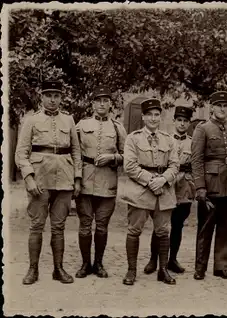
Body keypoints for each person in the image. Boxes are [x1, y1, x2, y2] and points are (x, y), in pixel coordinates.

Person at [15, 80, 82, 285]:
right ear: (41, 97)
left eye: (57, 95)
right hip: (40, 180)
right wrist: (29, 177)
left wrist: (77, 179)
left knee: (59, 227)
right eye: (49, 95)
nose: (53, 99)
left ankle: (58, 269)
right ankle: (33, 270)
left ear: (61, 98)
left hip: (64, 180)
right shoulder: (31, 121)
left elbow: (76, 151)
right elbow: (21, 153)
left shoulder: (69, 120)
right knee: (36, 225)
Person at [121, 98, 179, 286]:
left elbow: (175, 165)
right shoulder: (133, 138)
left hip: (163, 190)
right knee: (134, 230)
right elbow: (129, 166)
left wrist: (163, 179)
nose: (153, 119)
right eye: (150, 115)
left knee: (163, 231)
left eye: (157, 115)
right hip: (140, 190)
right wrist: (150, 180)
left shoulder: (168, 139)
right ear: (143, 117)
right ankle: (131, 270)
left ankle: (162, 269)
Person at [74, 86, 127, 279]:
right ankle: (85, 264)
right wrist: (77, 180)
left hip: (108, 182)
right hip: (86, 181)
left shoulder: (117, 127)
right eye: (98, 100)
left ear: (111, 104)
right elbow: (75, 153)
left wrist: (112, 158)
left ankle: (99, 263)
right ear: (93, 103)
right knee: (85, 225)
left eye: (106, 100)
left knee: (102, 226)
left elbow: (127, 155)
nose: (102, 104)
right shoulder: (81, 125)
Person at [191, 91, 227, 280]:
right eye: (219, 105)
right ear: (211, 107)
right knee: (206, 227)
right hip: (211, 184)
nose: (223, 109)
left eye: (226, 105)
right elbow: (196, 160)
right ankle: (200, 268)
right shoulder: (202, 129)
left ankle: (221, 267)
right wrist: (200, 187)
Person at [143, 106, 196, 275]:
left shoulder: (192, 142)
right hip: (166, 185)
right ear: (174, 121)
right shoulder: (164, 139)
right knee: (160, 225)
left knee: (178, 225)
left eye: (185, 121)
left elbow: (195, 165)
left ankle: (172, 259)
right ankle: (153, 259)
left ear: (189, 123)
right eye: (179, 120)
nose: (182, 124)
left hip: (184, 188)